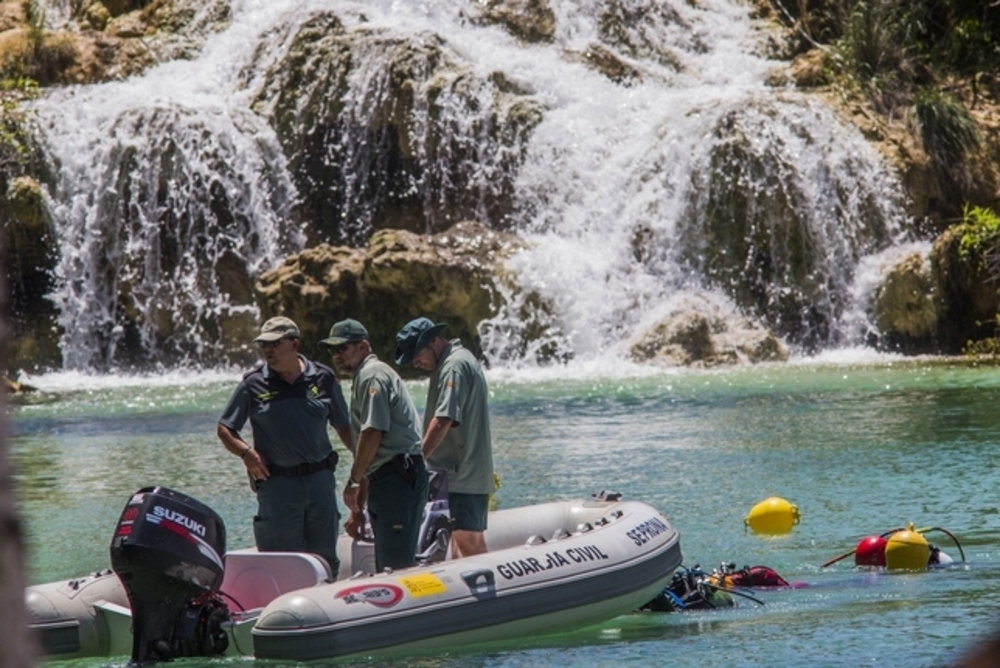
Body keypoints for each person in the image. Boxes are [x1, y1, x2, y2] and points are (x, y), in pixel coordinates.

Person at [217, 316, 351, 576]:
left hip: (320, 482)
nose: (268, 350)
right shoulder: (252, 384)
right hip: (278, 487)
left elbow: (343, 426)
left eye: (275, 343)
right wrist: (246, 453)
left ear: (294, 344)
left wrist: (362, 470)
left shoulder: (323, 378)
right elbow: (225, 428)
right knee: (281, 564)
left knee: (325, 560)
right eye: (264, 345)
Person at [320, 318, 430, 572]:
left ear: (363, 347)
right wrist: (360, 507)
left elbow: (373, 433)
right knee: (389, 564)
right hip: (387, 479)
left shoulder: (372, 375)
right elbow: (374, 452)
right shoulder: (365, 376)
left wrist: (354, 480)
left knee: (395, 568)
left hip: (398, 480)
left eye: (342, 348)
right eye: (332, 350)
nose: (336, 355)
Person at [395, 317, 494, 557]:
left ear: (433, 341)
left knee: (469, 542)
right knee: (459, 545)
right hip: (459, 473)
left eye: (417, 354)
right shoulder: (457, 361)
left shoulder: (453, 366)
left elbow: (443, 419)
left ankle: (498, 593)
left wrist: (417, 460)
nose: (416, 363)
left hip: (462, 474)